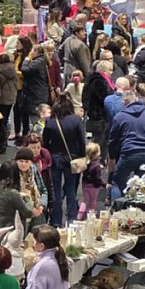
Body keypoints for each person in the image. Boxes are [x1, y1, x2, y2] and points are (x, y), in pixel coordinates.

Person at [108, 91, 145, 199]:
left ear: (125, 102)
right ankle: (140, 210)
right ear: (135, 99)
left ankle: (118, 210)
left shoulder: (120, 116)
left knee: (117, 181)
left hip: (128, 153)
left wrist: (112, 157)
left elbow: (112, 140)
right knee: (142, 184)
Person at [44, 94, 84, 226]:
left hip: (55, 158)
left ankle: (56, 221)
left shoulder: (50, 121)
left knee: (55, 190)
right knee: (71, 188)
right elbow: (81, 141)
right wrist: (82, 156)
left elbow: (45, 143)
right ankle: (72, 218)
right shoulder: (77, 120)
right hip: (72, 158)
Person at [0, 161, 33, 234]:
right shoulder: (13, 193)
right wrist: (26, 198)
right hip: (7, 238)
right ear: (16, 174)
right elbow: (28, 213)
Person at [0, 54, 18, 153]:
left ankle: (0, 145)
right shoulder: (13, 70)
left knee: (0, 123)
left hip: (1, 100)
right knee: (5, 121)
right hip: (11, 98)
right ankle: (4, 143)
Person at [15, 147, 47, 228]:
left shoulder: (34, 170)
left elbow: (43, 190)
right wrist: (31, 209)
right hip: (21, 214)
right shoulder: (13, 172)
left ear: (31, 162)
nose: (23, 164)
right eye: (21, 161)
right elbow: (16, 196)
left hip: (38, 210)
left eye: (26, 161)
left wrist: (42, 205)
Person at [22, 44, 51, 129]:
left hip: (36, 95)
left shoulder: (38, 62)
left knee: (37, 121)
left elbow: (25, 70)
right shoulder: (42, 61)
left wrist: (26, 60)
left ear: (36, 52)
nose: (30, 53)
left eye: (32, 51)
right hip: (40, 94)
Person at [81, 142, 105, 216]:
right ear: (96, 154)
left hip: (85, 185)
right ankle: (92, 216)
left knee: (85, 201)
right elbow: (97, 178)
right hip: (93, 187)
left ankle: (80, 215)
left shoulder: (85, 163)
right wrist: (104, 184)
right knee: (93, 202)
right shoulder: (97, 166)